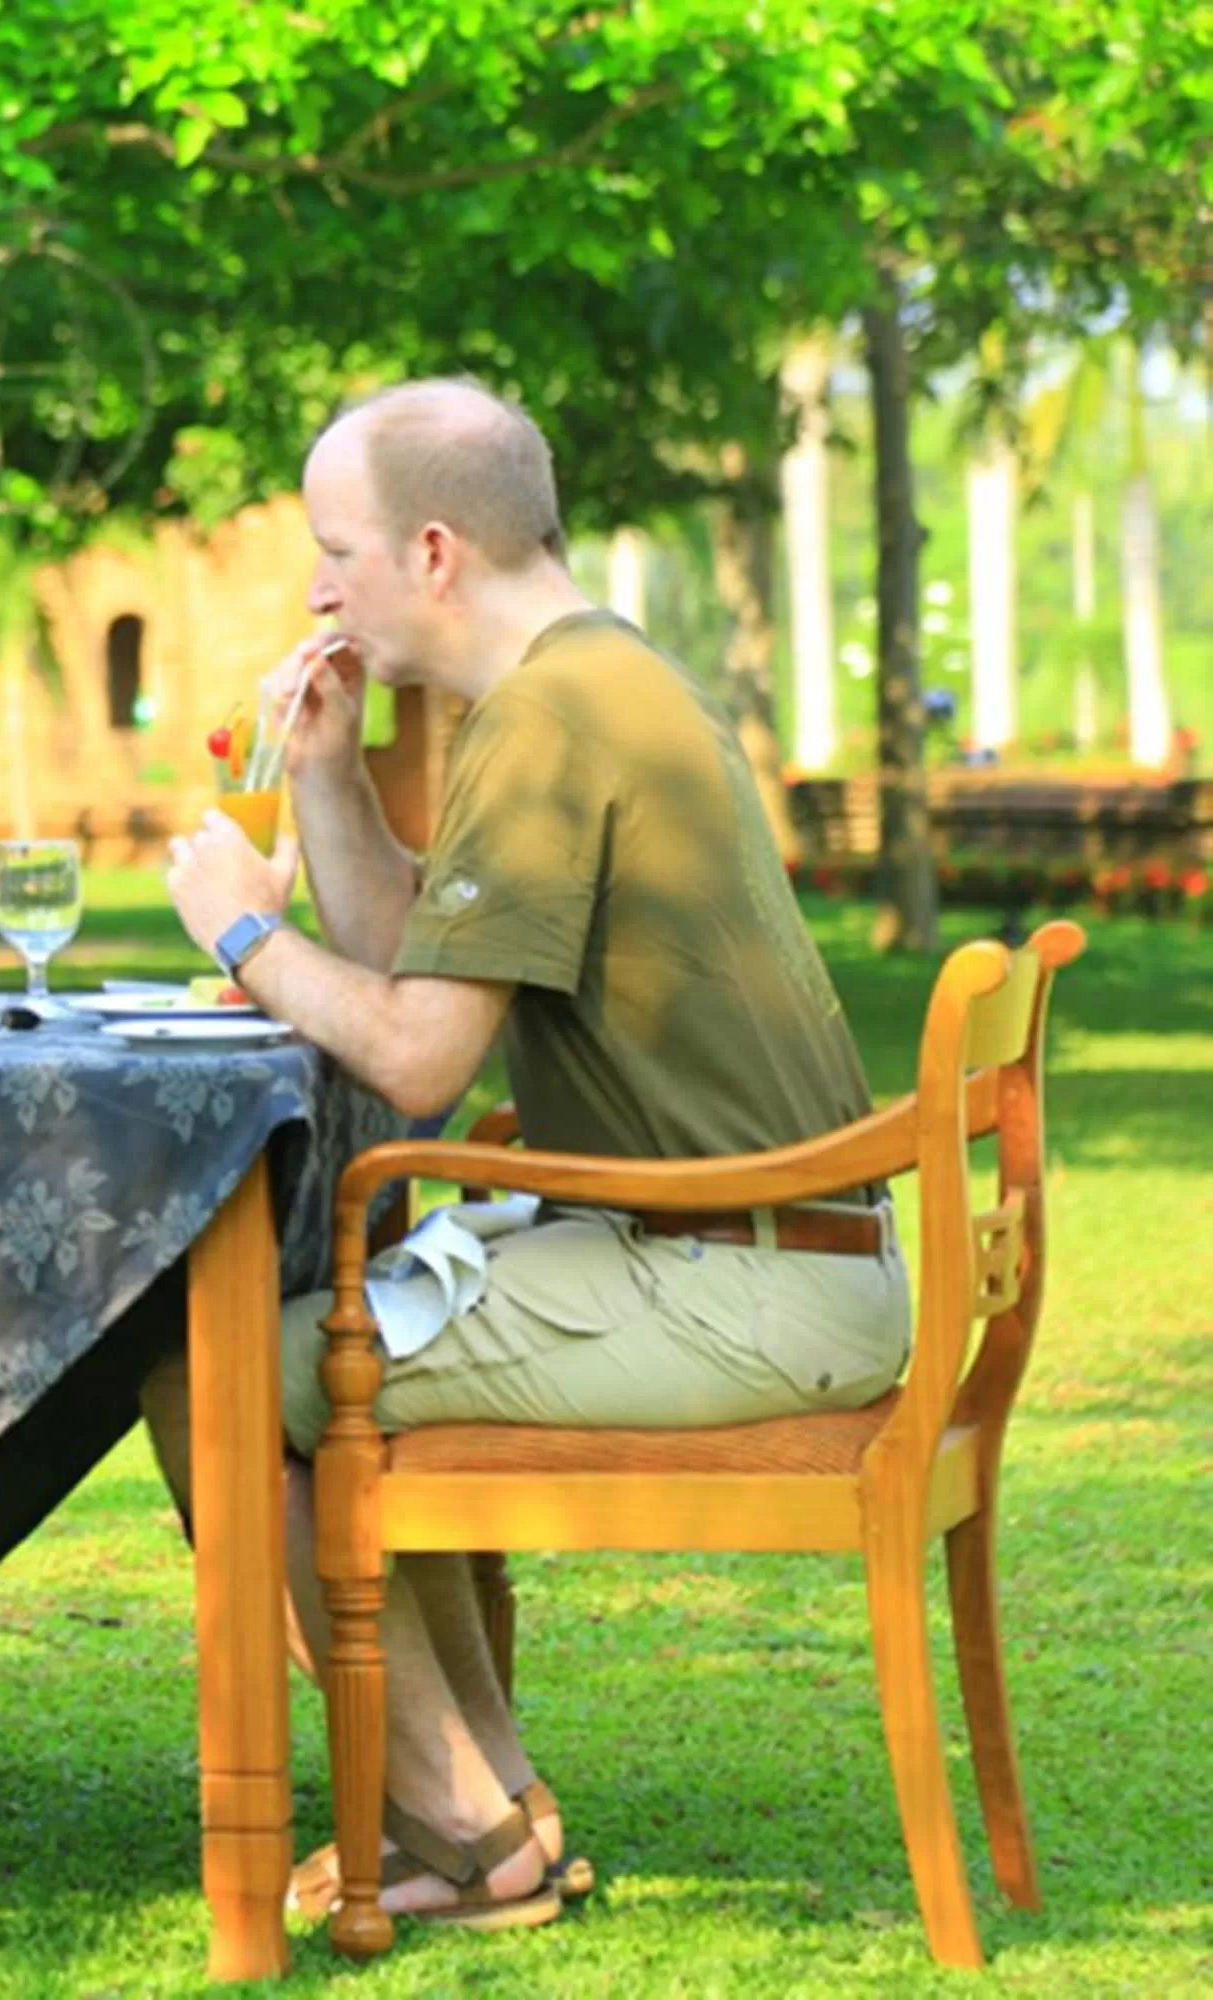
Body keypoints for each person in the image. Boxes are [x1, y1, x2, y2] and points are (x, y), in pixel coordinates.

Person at [144, 379, 910, 1930]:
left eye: (336, 550)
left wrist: (237, 924)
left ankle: (460, 1826)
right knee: (319, 1344)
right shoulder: (590, 680)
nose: (314, 591)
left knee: (211, 1368)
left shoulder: (549, 719)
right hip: (753, 1251)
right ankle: (490, 1804)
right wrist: (326, 776)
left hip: (737, 1278)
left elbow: (422, 1058)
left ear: (432, 552)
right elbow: (421, 964)